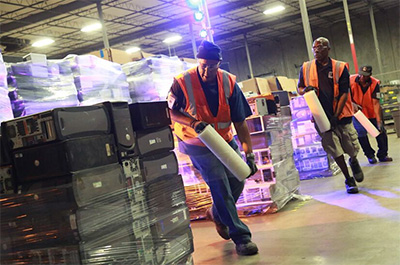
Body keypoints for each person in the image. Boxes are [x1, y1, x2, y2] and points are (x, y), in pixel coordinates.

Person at [167, 40, 258, 256]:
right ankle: (241, 237)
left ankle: (216, 214)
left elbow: (240, 122)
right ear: (199, 61)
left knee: (238, 179)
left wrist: (249, 154)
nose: (206, 70)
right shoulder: (182, 82)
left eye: (212, 65)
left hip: (224, 140)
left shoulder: (229, 83)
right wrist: (192, 123)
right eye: (203, 64)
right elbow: (170, 111)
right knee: (220, 186)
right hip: (196, 142)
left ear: (219, 63)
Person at [297, 37, 364, 194]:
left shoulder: (340, 67)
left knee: (351, 146)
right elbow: (299, 88)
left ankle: (353, 161)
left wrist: (336, 114)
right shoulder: (306, 68)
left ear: (328, 49)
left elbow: (344, 93)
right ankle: (349, 178)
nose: (316, 51)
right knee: (334, 149)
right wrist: (304, 90)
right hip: (321, 117)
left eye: (320, 48)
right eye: (314, 48)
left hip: (341, 116)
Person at [350, 65, 393, 164]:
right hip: (358, 114)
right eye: (361, 75)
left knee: (380, 131)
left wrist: (379, 121)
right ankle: (370, 155)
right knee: (361, 133)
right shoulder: (350, 81)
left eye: (365, 76)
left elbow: (376, 103)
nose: (362, 77)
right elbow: (345, 95)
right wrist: (352, 104)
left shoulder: (374, 83)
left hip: (371, 112)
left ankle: (383, 155)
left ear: (370, 75)